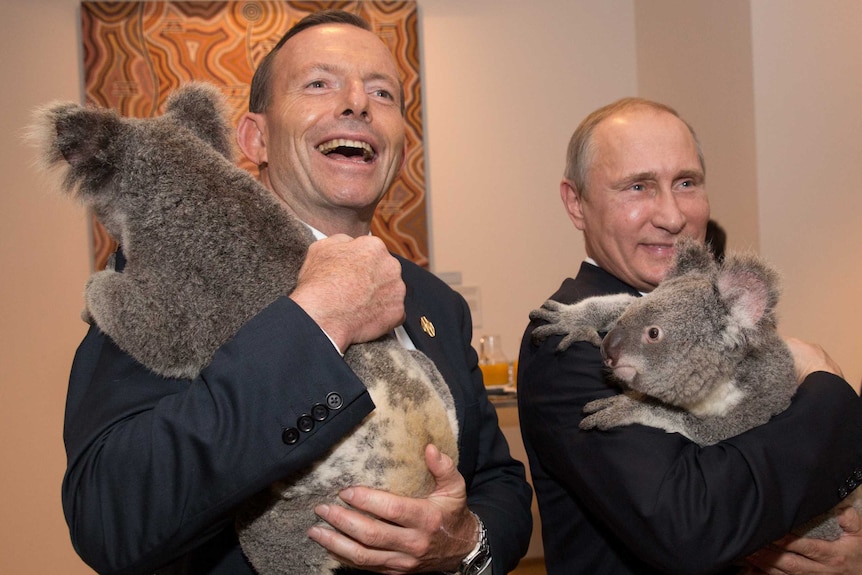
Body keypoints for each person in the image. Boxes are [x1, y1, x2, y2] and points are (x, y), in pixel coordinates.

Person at [61, 10, 532, 575]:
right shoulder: (168, 274)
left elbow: (498, 482)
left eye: (382, 93)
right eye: (319, 84)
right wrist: (315, 323)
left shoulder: (435, 303)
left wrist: (463, 544)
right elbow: (109, 514)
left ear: (400, 146)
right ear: (255, 138)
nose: (358, 103)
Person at [517, 97, 862, 575]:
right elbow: (693, 522)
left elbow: (770, 460)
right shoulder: (573, 343)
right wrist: (826, 386)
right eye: (637, 187)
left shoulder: (707, 312)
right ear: (577, 203)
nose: (672, 215)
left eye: (686, 183)